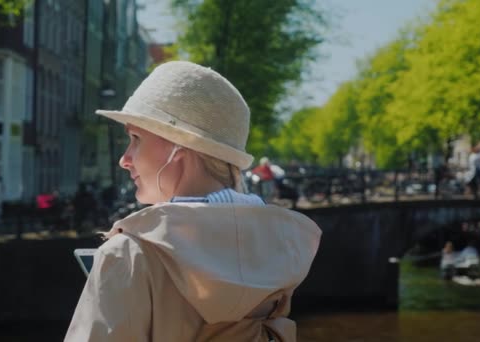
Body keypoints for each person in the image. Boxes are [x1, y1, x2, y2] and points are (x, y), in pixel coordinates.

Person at [65, 61, 322, 341]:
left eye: (136, 138)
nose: (124, 159)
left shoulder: (129, 255)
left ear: (178, 146)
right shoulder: (280, 247)